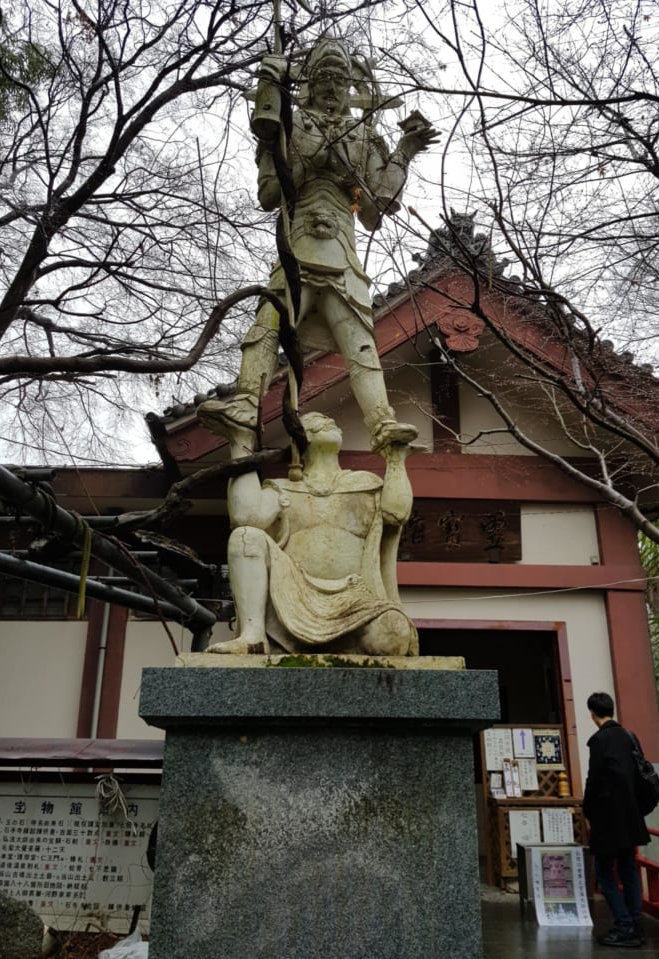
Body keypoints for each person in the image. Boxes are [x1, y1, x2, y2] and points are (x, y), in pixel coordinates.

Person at [197, 35, 439, 458]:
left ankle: (381, 421)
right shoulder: (292, 126)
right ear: (308, 80)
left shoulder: (363, 134)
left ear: (351, 85)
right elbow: (270, 194)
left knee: (361, 340)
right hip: (299, 241)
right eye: (323, 75)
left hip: (343, 249)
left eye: (339, 78)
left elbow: (376, 209)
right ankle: (245, 401)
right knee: (268, 323)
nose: (331, 85)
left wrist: (404, 150)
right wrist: (285, 146)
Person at [206, 411, 418, 657]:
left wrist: (395, 458)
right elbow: (246, 517)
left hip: (356, 599)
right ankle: (253, 636)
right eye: (319, 422)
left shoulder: (366, 484)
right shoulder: (282, 488)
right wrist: (240, 442)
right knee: (245, 536)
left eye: (332, 421)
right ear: (300, 439)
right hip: (291, 594)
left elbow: (397, 513)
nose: (331, 422)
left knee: (394, 637)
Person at [582, 691, 650, 948]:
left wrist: (588, 810)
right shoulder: (629, 737)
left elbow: (594, 780)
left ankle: (623, 924)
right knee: (628, 870)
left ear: (592, 713)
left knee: (603, 872)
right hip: (631, 816)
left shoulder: (599, 741)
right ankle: (636, 923)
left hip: (608, 818)